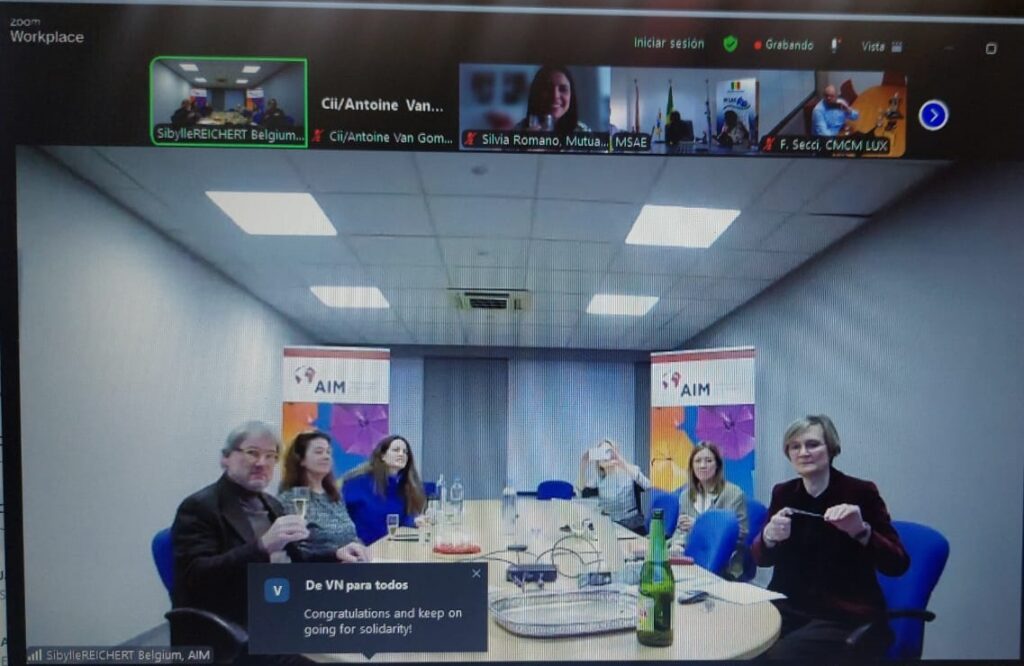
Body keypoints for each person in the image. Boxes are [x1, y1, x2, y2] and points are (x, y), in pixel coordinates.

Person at [171, 422, 370, 640]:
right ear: (225, 458)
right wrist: (262, 546)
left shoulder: (271, 503)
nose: (261, 463)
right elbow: (195, 578)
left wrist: (335, 554)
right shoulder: (200, 507)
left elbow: (296, 557)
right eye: (252, 453)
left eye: (270, 456)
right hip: (242, 619)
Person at [752, 415, 910, 661]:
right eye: (795, 446)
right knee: (737, 640)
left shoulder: (861, 492)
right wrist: (768, 537)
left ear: (831, 448)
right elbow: (761, 559)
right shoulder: (783, 493)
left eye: (813, 444)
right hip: (789, 608)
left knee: (774, 657)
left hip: (843, 615)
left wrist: (861, 531)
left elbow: (897, 563)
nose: (803, 452)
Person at [669, 442, 748, 579]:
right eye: (697, 461)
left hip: (724, 563)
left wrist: (699, 526)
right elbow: (681, 529)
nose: (702, 465)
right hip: (691, 557)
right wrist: (676, 546)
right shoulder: (685, 495)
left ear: (717, 465)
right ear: (692, 467)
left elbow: (740, 534)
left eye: (708, 461)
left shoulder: (734, 494)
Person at [278, 430, 364, 553]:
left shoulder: (334, 495)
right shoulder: (292, 499)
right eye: (319, 452)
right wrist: (336, 554)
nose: (326, 456)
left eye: (328, 452)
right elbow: (297, 548)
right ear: (301, 460)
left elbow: (351, 534)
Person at [342, 435, 427, 544]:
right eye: (396, 450)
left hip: (393, 545)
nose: (401, 454)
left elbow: (398, 518)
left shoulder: (404, 485)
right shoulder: (358, 482)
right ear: (383, 456)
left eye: (405, 452)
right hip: (364, 548)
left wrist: (413, 521)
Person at [578, 439, 652, 533]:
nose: (606, 456)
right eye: (601, 453)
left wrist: (621, 462)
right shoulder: (598, 479)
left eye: (608, 451)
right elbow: (581, 493)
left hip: (633, 526)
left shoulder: (630, 471)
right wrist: (583, 463)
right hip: (610, 527)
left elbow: (648, 486)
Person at [514, 65, 590, 135]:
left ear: (571, 95)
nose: (555, 96)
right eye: (547, 88)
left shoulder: (583, 132)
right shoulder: (519, 131)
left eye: (563, 89)